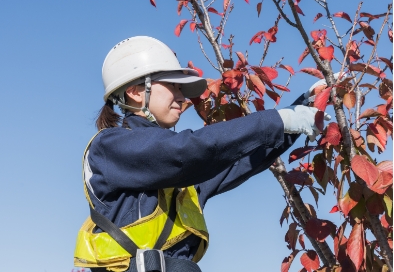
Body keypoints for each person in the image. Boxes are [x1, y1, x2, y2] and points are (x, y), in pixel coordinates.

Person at [74, 36, 330, 272]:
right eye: (173, 87)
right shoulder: (110, 147)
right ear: (136, 91)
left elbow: (241, 159)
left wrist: (300, 109)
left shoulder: (181, 175)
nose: (181, 98)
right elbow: (184, 152)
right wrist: (275, 120)